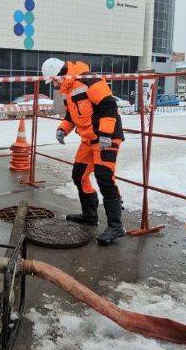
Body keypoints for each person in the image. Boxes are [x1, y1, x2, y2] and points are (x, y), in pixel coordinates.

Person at [42, 57, 127, 245]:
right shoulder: (68, 90)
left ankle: (116, 226)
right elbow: (71, 116)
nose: (54, 85)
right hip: (89, 139)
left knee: (104, 177)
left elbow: (109, 107)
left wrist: (105, 134)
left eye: (54, 80)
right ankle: (90, 215)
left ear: (61, 73)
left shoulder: (90, 80)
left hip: (107, 136)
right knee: (79, 175)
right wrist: (62, 129)